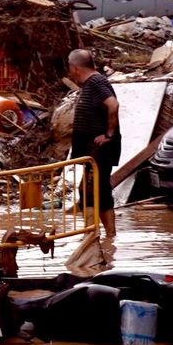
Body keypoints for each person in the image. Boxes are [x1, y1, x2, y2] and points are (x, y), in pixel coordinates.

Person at [68, 48, 120, 253]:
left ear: (75, 67)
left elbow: (113, 105)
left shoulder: (97, 82)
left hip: (99, 149)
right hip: (93, 150)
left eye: (70, 69)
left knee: (91, 191)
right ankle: (105, 237)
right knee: (99, 190)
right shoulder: (91, 83)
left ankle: (92, 235)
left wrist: (108, 134)